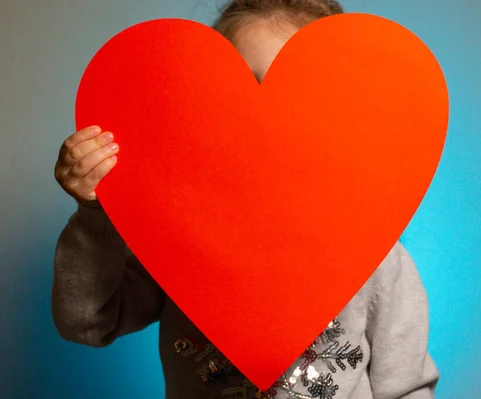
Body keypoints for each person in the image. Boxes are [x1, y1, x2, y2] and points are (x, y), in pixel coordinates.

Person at [52, 0, 440, 398]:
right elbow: (87, 323)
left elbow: (406, 386)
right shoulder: (176, 238)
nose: (265, 118)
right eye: (245, 89)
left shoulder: (373, 252)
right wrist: (94, 213)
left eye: (297, 92)